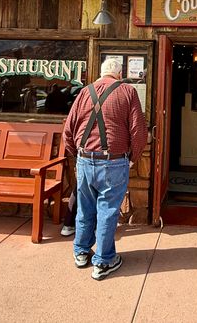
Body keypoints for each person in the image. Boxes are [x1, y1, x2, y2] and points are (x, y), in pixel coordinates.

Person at [62, 58, 147, 280]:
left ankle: (81, 252)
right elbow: (139, 130)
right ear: (119, 74)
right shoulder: (128, 91)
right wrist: (132, 158)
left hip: (84, 159)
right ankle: (104, 261)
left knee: (85, 208)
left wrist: (76, 154)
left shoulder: (84, 92)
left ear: (101, 73)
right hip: (113, 161)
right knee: (108, 212)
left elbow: (68, 128)